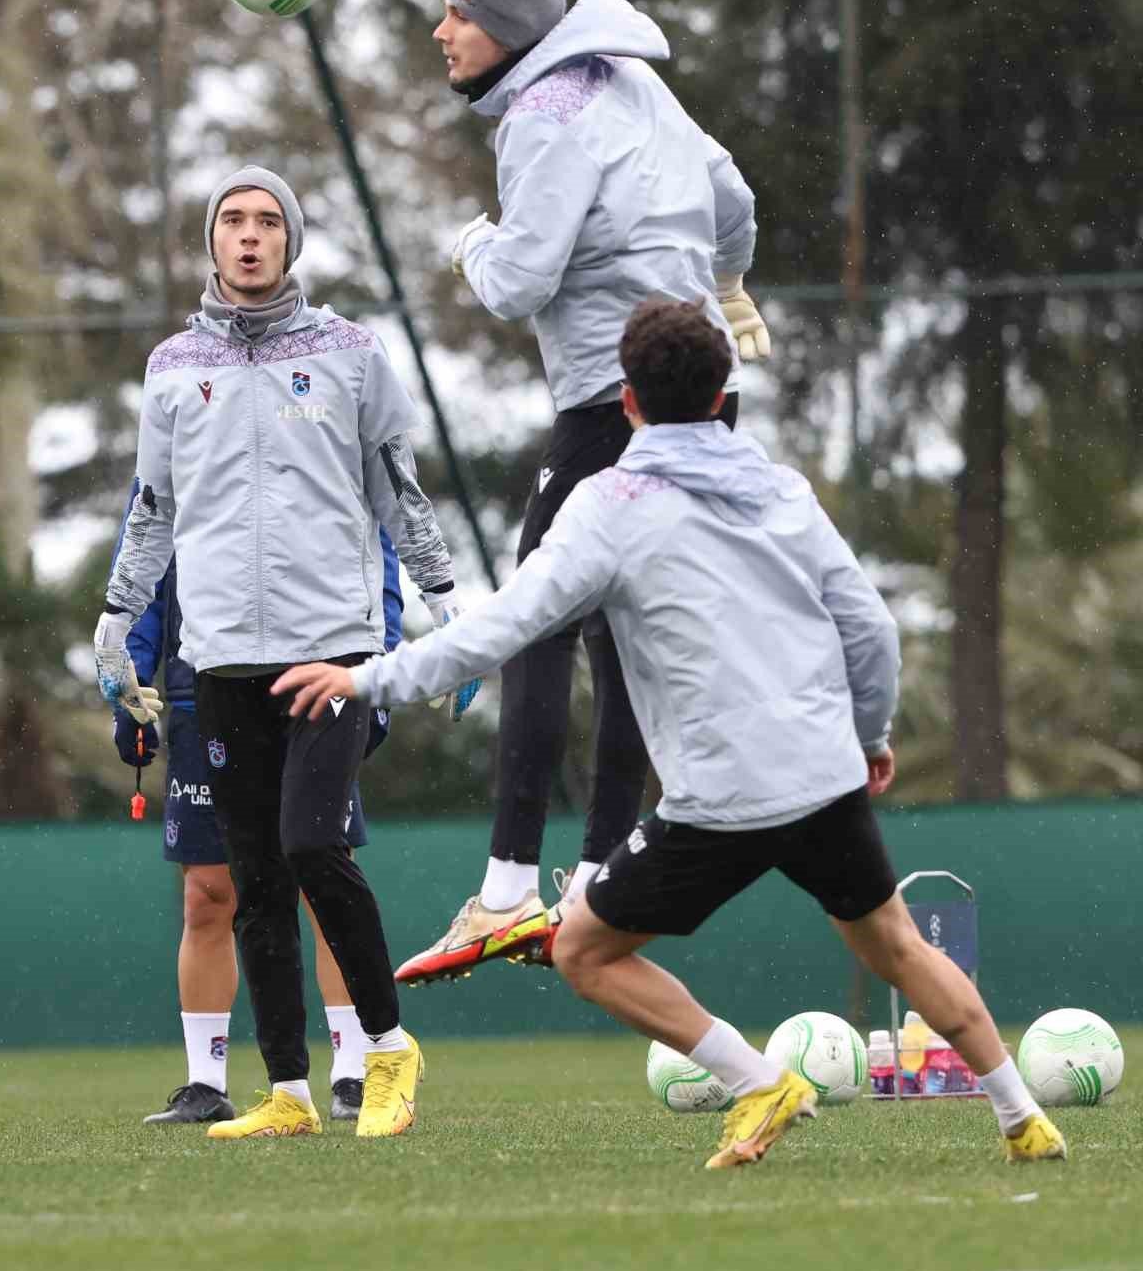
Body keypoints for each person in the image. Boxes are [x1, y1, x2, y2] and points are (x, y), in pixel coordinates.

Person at [274, 299, 1067, 1168]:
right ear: (725, 394)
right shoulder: (779, 487)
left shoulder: (606, 504)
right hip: (820, 777)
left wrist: (366, 675)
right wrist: (870, 734)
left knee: (582, 949)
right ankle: (1021, 1115)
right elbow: (871, 628)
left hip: (719, 802)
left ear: (626, 402)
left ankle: (758, 1081)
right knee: (900, 947)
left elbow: (501, 630)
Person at [401, 0, 769, 985]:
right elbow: (731, 190)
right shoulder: (636, 80)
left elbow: (519, 282)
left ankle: (509, 890)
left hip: (617, 401)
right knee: (626, 641)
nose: (442, 32)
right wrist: (731, 286)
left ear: (508, 28)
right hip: (710, 388)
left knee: (535, 619)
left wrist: (469, 239)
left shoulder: (540, 115)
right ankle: (598, 877)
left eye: (457, 15)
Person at [95, 164, 470, 1140]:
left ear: (291, 241)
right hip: (217, 657)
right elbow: (152, 510)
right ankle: (288, 1094)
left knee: (313, 845)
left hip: (332, 652)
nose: (249, 236)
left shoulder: (349, 352)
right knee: (255, 874)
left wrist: (446, 604)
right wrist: (114, 618)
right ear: (211, 240)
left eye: (268, 222)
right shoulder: (174, 365)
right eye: (232, 221)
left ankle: (388, 1050)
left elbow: (398, 486)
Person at [111, 502, 405, 1126]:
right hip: (205, 685)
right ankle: (208, 1082)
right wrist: (131, 674)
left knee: (319, 864)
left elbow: (374, 537)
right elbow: (146, 555)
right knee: (212, 892)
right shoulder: (179, 425)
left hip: (317, 670)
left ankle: (356, 1071)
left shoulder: (320, 425)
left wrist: (383, 666)